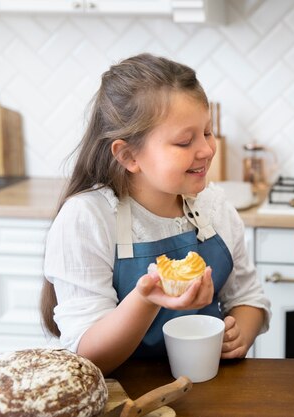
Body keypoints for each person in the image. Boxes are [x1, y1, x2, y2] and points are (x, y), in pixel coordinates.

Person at [40, 53, 270, 374]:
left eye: (207, 132)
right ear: (129, 155)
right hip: (121, 394)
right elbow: (87, 356)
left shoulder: (213, 206)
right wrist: (148, 298)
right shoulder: (88, 218)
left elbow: (249, 298)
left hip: (207, 387)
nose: (206, 150)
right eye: (184, 141)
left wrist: (240, 332)